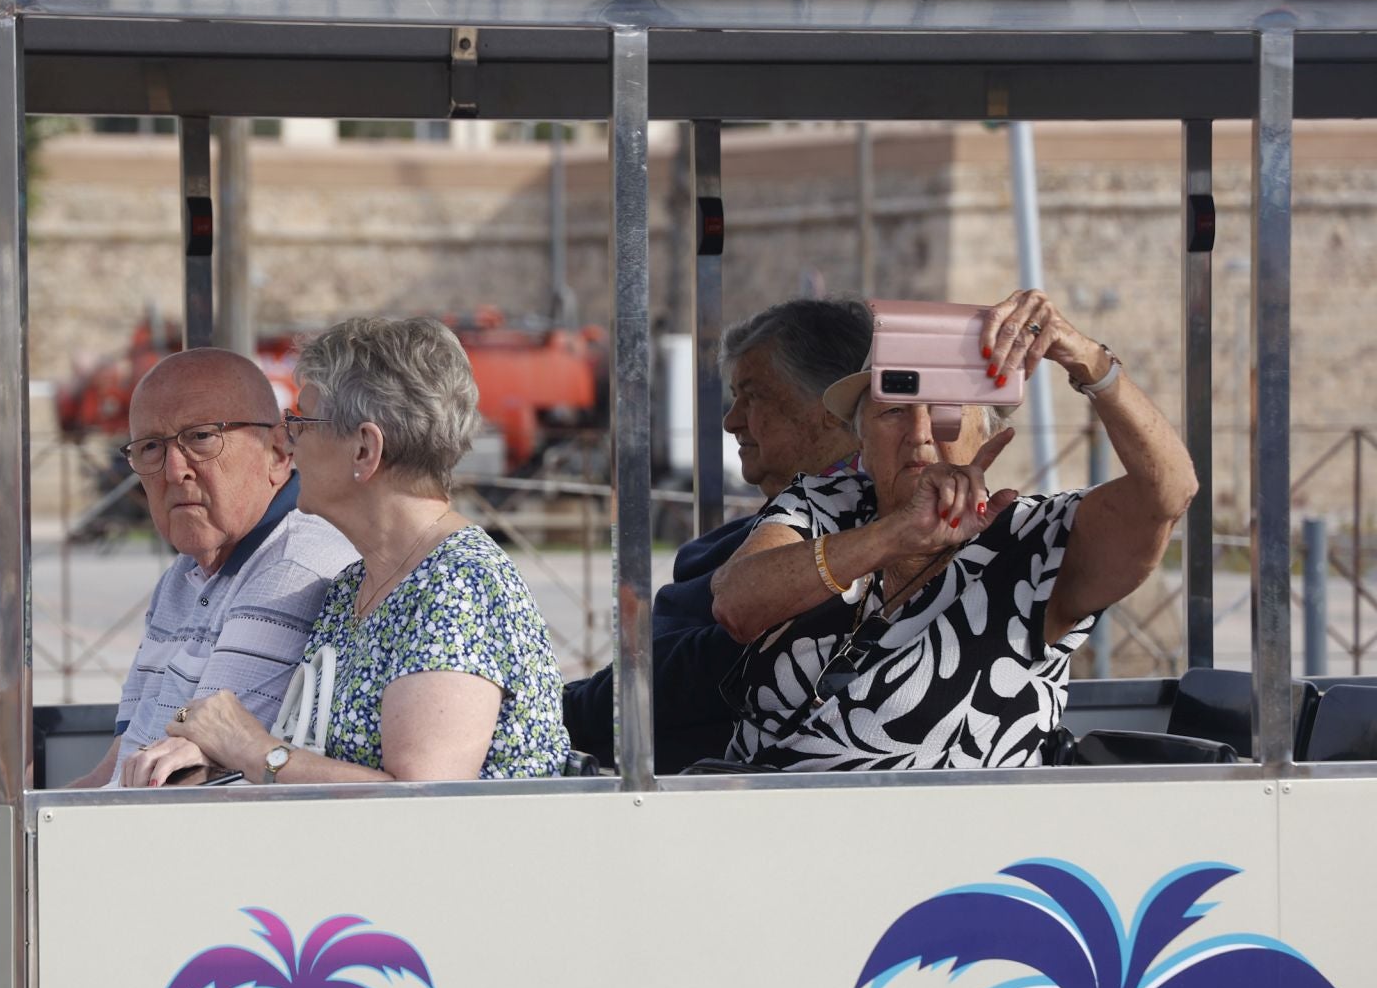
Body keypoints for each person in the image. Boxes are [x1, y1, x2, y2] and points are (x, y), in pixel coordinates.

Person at [708, 289, 1197, 771]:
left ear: (988, 431)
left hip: (961, 835)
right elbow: (736, 603)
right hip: (772, 820)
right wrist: (896, 535)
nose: (919, 432)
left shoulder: (1034, 538)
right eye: (893, 410)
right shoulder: (824, 504)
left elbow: (1169, 492)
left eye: (946, 411)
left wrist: (1090, 362)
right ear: (861, 436)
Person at [125, 317, 569, 785]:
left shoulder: (458, 586)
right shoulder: (354, 587)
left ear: (364, 450)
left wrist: (253, 749)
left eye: (304, 422)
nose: (288, 442)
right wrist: (213, 751)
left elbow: (424, 802)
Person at [562, 298, 870, 771]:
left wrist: (557, 710)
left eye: (754, 396)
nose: (731, 421)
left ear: (828, 407)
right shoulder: (799, 520)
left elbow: (691, 672)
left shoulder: (839, 525)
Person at [72, 349, 355, 789]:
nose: (174, 470)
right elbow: (118, 761)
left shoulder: (294, 564)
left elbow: (198, 757)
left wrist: (180, 711)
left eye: (201, 437)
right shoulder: (183, 575)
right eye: (150, 448)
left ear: (279, 451)